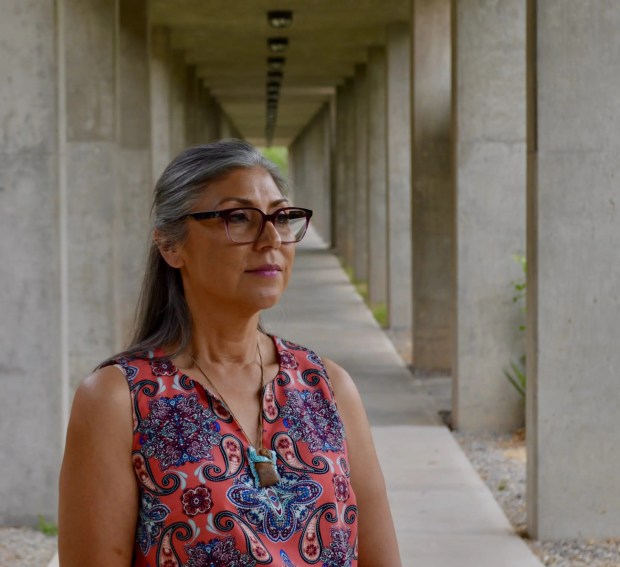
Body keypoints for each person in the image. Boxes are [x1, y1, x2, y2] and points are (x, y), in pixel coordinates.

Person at [58, 139, 402, 566]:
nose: (271, 238)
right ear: (171, 246)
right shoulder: (118, 401)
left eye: (280, 216)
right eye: (238, 218)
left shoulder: (327, 386)